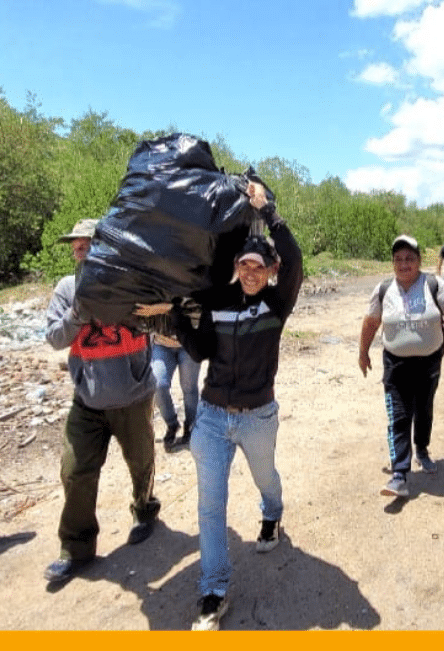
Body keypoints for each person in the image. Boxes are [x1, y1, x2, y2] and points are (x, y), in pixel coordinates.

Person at [151, 179, 302, 632]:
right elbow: (198, 351)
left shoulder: (277, 303)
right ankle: (213, 591)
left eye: (259, 266)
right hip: (214, 419)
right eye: (245, 265)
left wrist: (270, 213)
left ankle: (272, 512)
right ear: (237, 266)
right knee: (210, 507)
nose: (252, 272)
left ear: (270, 270)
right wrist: (176, 316)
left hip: (258, 418)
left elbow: (294, 260)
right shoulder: (219, 303)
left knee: (265, 478)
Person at [43, 218, 161, 583]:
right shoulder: (66, 289)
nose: (80, 250)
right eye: (76, 246)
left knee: (140, 462)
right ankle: (76, 548)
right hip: (88, 400)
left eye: (87, 243)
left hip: (133, 394)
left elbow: (159, 321)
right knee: (74, 470)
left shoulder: (132, 282)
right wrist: (78, 312)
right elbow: (54, 338)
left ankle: (144, 509)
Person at [360, 235, 444, 498]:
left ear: (418, 260)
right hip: (395, 364)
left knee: (423, 408)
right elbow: (371, 322)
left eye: (409, 258)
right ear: (392, 263)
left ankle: (423, 449)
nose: (403, 264)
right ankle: (399, 474)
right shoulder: (384, 290)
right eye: (398, 259)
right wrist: (363, 352)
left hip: (429, 361)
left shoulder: (433, 284)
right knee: (398, 416)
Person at [150, 331, 201, 451]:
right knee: (157, 385)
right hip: (161, 343)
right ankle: (172, 424)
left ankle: (190, 427)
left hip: (190, 343)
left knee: (189, 388)